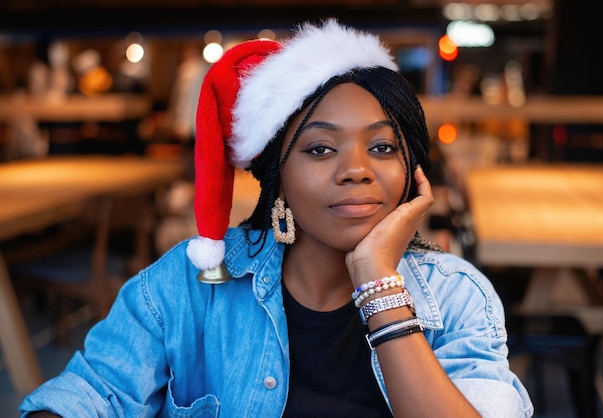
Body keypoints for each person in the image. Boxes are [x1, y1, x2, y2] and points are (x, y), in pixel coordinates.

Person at [20, 19, 533, 417]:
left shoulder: (456, 296)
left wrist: (378, 283)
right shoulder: (193, 284)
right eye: (319, 149)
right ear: (277, 176)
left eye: (381, 146)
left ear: (410, 169)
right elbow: (93, 391)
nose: (356, 169)